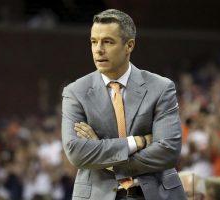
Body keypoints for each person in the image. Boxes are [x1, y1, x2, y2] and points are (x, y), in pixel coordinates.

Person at [61, 9, 186, 200]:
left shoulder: (161, 87)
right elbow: (77, 153)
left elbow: (168, 150)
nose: (98, 49)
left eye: (107, 42)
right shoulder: (75, 92)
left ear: (129, 45)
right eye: (94, 42)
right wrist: (138, 142)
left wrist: (105, 156)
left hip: (156, 193)